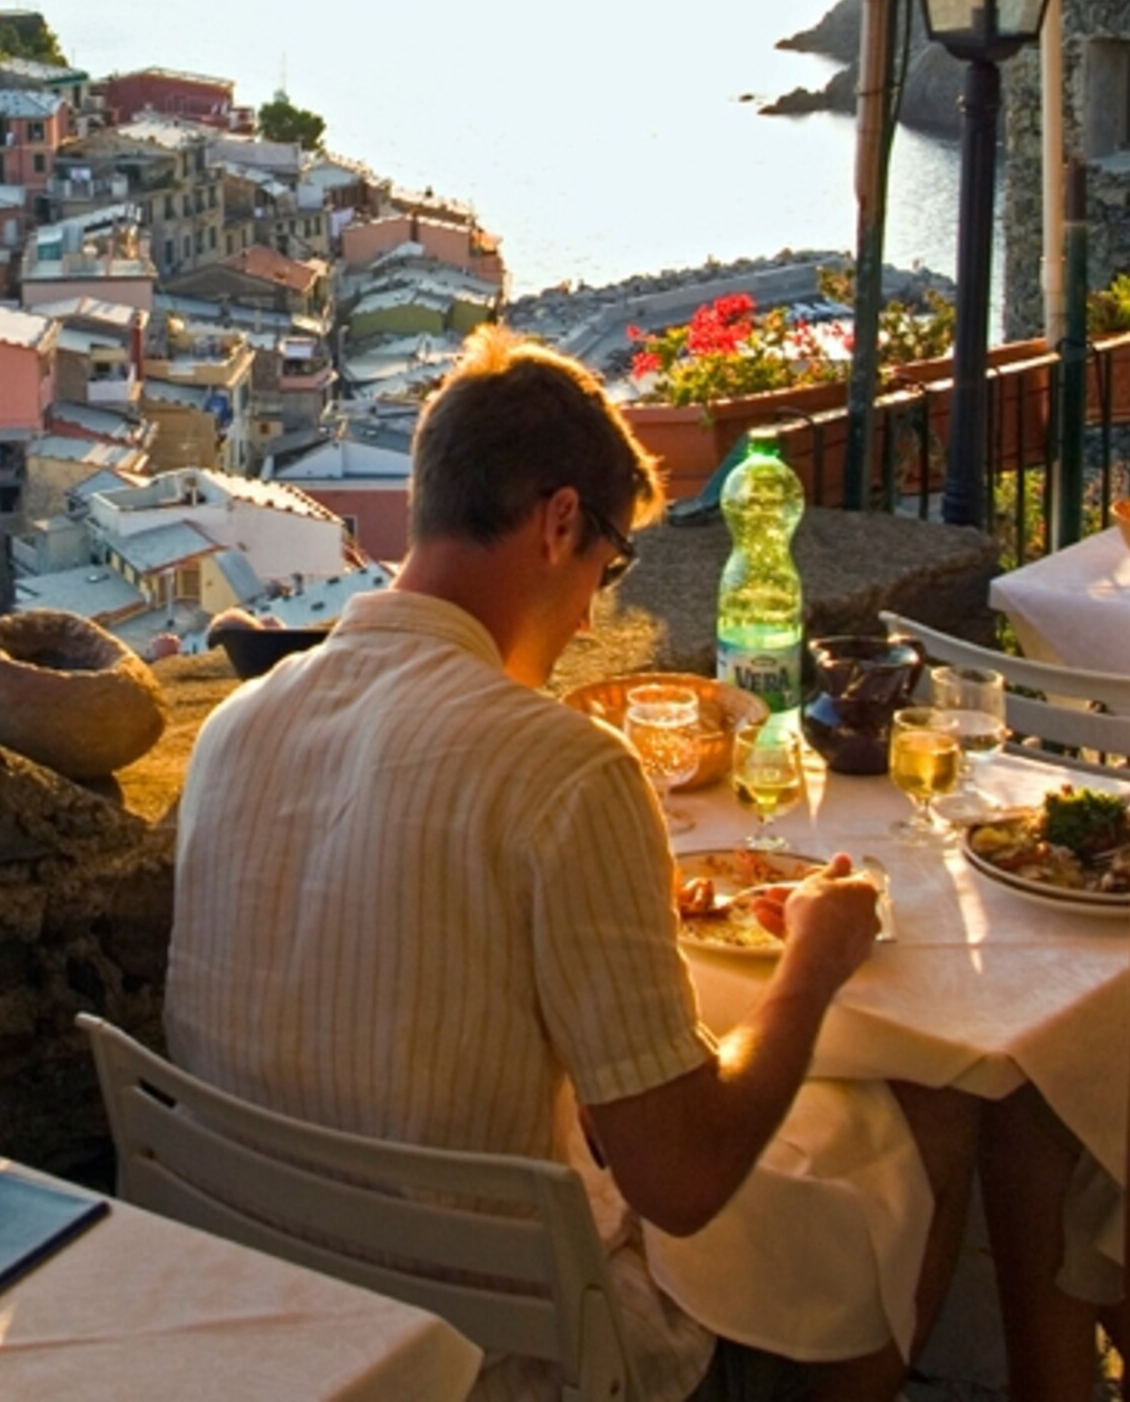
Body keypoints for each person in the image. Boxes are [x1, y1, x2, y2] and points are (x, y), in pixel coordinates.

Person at [168, 328, 972, 1402]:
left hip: (272, 1319)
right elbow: (683, 1177)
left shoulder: (234, 728)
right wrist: (814, 964)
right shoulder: (565, 771)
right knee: (913, 1131)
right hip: (493, 1356)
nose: (595, 612)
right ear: (559, 524)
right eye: (609, 564)